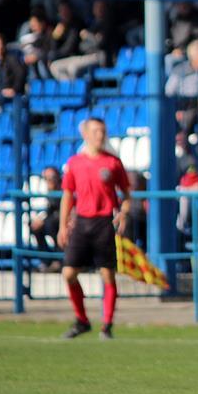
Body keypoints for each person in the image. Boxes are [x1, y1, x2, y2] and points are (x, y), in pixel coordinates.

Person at [56, 117, 132, 341]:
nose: (100, 135)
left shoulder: (113, 163)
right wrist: (62, 226)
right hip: (81, 222)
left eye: (103, 131)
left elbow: (127, 195)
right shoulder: (75, 163)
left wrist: (123, 212)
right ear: (86, 134)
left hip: (104, 223)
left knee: (107, 274)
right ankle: (82, 320)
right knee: (69, 273)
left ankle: (106, 325)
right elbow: (67, 195)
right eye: (96, 131)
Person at [30, 166, 63, 270]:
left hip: (62, 222)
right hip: (53, 220)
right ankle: (46, 261)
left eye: (52, 177)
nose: (49, 180)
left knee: (52, 225)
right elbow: (49, 210)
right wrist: (40, 220)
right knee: (35, 227)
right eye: (46, 178)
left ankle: (59, 260)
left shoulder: (63, 189)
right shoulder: (48, 191)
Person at [0, 33, 26, 104]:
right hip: (1, 94)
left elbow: (20, 75)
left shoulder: (12, 59)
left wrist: (14, 89)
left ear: (3, 45)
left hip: (13, 95)